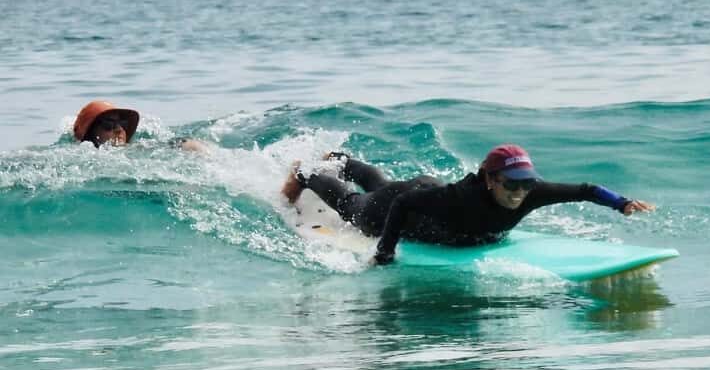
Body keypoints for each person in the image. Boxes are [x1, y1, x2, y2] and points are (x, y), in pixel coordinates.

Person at [282, 144, 654, 265]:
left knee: (380, 183)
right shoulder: (458, 199)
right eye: (511, 184)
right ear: (490, 179)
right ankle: (307, 174)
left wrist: (620, 203)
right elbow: (405, 204)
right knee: (355, 205)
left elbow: (587, 189)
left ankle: (343, 159)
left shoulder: (533, 190)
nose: (520, 192)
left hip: (423, 192)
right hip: (406, 208)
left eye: (525, 183)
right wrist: (385, 251)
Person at [72, 100, 208, 152]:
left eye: (122, 124)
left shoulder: (136, 150)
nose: (119, 129)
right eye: (109, 124)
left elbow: (167, 146)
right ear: (90, 135)